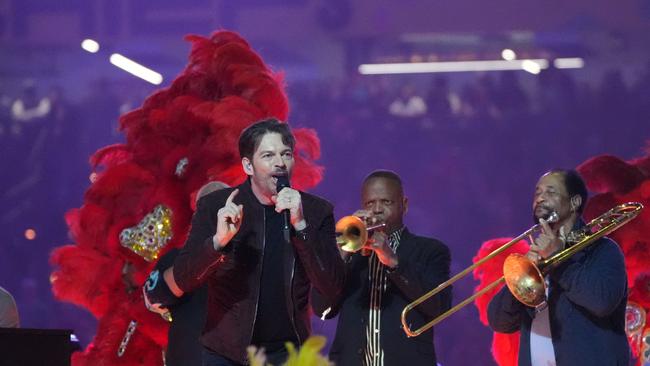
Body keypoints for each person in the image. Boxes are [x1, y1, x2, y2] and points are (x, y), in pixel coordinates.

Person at [173, 118, 345, 365]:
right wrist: (218, 243)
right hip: (226, 354)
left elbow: (332, 288)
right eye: (268, 155)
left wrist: (301, 226)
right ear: (248, 166)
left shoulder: (316, 212)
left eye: (286, 154)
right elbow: (183, 278)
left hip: (289, 354)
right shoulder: (216, 207)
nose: (279, 163)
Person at [487, 169, 630, 366]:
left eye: (551, 192)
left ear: (575, 202)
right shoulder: (535, 257)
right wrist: (522, 273)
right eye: (537, 192)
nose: (540, 198)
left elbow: (601, 301)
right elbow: (499, 321)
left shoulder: (603, 250)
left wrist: (557, 260)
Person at [312, 170, 452, 366]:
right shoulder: (349, 256)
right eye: (370, 203)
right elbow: (322, 310)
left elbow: (439, 307)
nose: (377, 209)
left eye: (386, 202)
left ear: (404, 205)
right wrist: (342, 254)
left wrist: (393, 260)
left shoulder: (431, 251)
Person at [143, 181, 229, 366]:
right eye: (208, 206)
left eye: (222, 204)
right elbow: (154, 296)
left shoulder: (254, 257)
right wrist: (210, 250)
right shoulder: (176, 258)